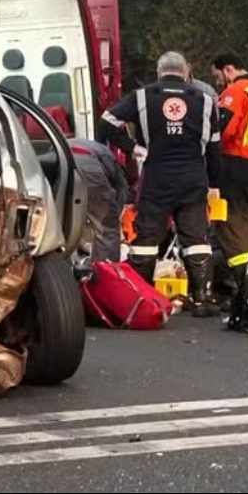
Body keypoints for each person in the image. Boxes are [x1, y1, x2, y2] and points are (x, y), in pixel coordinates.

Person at [100, 51, 223, 317]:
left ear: (158, 72)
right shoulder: (205, 101)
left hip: (157, 175)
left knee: (147, 237)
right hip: (193, 176)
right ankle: (201, 298)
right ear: (186, 72)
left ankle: (144, 298)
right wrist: (214, 183)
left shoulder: (143, 96)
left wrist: (133, 148)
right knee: (196, 238)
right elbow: (214, 147)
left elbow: (106, 122)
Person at [209, 52, 248, 277]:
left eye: (217, 76)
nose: (217, 82)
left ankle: (243, 282)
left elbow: (222, 130)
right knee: (247, 225)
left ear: (228, 69)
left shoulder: (236, 91)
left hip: (235, 164)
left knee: (228, 225)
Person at [69, 137, 130, 264]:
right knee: (107, 229)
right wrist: (114, 217)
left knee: (64, 226)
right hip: (87, 166)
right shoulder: (111, 160)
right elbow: (122, 189)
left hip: (57, 160)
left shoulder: (82, 143)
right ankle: (105, 276)